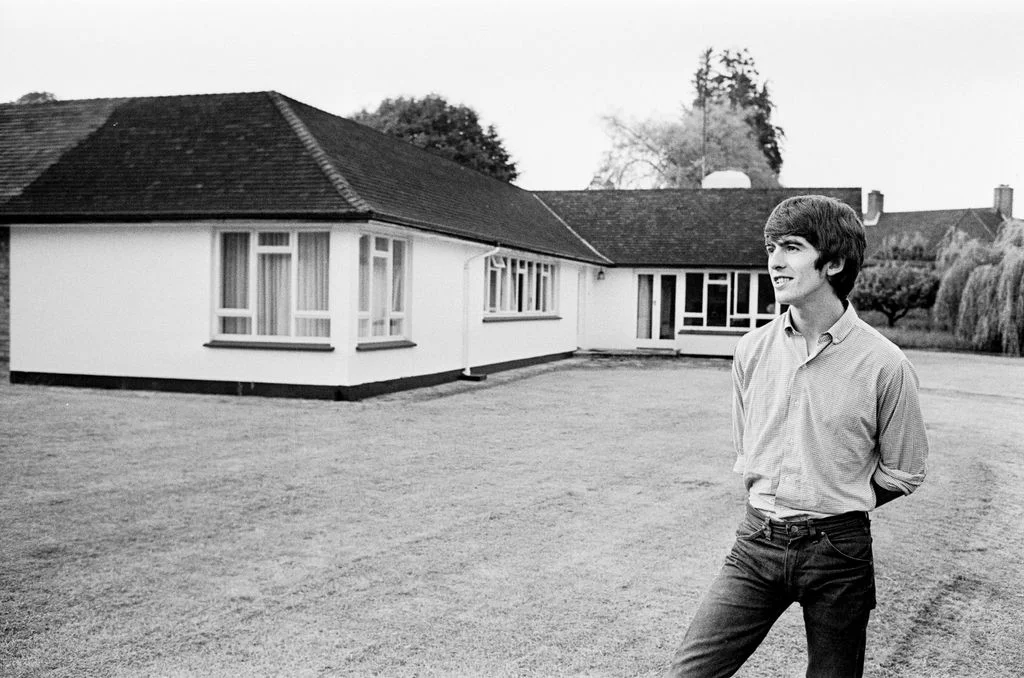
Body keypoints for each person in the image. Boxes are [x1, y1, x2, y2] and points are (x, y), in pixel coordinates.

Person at [666, 195, 929, 678]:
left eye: (791, 247)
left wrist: (836, 499)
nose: (774, 261)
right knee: (689, 672)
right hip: (756, 542)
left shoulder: (885, 364)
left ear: (833, 262)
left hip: (838, 553)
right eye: (771, 247)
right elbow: (748, 446)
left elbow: (905, 472)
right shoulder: (751, 349)